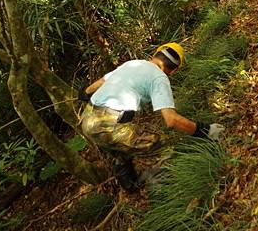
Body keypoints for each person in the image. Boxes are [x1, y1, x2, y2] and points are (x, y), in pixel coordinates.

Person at [80, 42, 225, 191]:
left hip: (87, 118)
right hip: (108, 123)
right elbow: (171, 120)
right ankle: (166, 189)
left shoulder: (132, 64)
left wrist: (85, 92)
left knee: (120, 149)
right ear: (174, 70)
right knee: (163, 145)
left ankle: (132, 187)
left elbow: (102, 81)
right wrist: (205, 130)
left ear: (154, 55)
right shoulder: (159, 77)